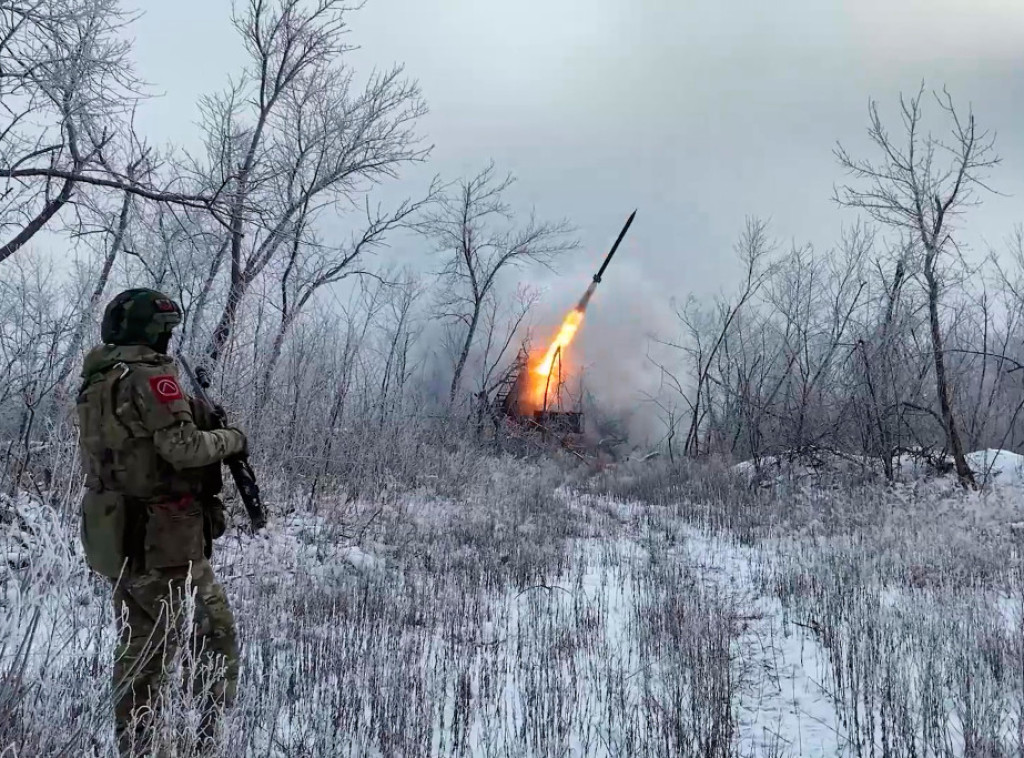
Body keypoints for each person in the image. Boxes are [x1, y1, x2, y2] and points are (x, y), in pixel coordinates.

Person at [76, 288, 247, 757]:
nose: (168, 339)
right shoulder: (150, 377)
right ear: (152, 331)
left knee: (144, 645)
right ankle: (200, 745)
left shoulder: (98, 378)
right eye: (166, 330)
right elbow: (183, 448)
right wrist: (231, 438)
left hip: (115, 534)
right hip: (163, 540)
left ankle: (141, 746)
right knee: (210, 640)